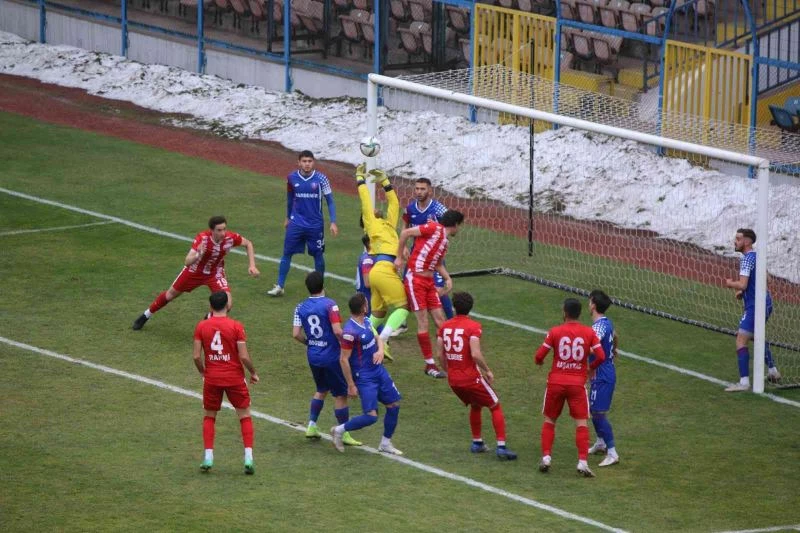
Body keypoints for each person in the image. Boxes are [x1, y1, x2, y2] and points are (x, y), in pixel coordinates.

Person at [132, 215, 259, 330]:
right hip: (195, 271)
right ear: (212, 230)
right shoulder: (202, 239)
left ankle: (207, 320)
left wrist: (252, 265)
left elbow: (248, 244)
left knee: (227, 304)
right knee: (170, 295)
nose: (223, 233)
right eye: (219, 230)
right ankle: (145, 315)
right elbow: (187, 261)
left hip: (215, 273)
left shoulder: (231, 238)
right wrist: (199, 254)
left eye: (224, 229)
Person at [436, 292, 517, 460]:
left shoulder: (444, 327)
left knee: (475, 404)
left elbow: (439, 355)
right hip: (470, 378)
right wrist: (487, 370)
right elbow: (475, 354)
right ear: (470, 307)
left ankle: (477, 442)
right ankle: (501, 447)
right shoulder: (473, 327)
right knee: (495, 405)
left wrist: (450, 370)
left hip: (454, 380)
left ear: (454, 307)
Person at [534, 298, 606, 478]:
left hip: (556, 382)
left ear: (564, 312)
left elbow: (539, 356)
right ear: (579, 313)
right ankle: (582, 462)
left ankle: (546, 458)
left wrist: (540, 362)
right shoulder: (588, 333)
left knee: (550, 420)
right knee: (581, 422)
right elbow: (601, 356)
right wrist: (590, 368)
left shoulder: (555, 332)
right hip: (577, 384)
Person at [192, 291, 259, 474]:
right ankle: (248, 458)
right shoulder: (236, 326)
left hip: (212, 378)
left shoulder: (202, 326)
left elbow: (197, 356)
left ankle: (208, 457)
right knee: (244, 415)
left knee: (209, 416)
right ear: (227, 306)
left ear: (211, 306)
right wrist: (253, 372)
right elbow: (243, 356)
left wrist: (203, 372)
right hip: (234, 378)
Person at [292, 271, 361, 447]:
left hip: (313, 356)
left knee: (321, 389)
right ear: (323, 285)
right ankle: (343, 433)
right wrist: (347, 344)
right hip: (330, 356)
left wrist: (310, 342)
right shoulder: (331, 305)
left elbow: (295, 334)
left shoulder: (300, 307)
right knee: (341, 394)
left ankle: (311, 426)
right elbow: (338, 331)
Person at [331, 293, 403, 456]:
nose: (368, 304)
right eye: (366, 303)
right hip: (365, 376)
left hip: (378, 370)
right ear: (363, 308)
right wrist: (351, 384)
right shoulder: (350, 332)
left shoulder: (367, 321)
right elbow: (343, 359)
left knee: (393, 405)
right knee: (371, 416)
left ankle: (385, 443)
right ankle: (339, 430)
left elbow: (378, 337)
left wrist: (379, 351)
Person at [396, 209, 465, 378]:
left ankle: (450, 361)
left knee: (441, 321)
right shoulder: (433, 228)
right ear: (455, 225)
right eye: (460, 226)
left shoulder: (445, 242)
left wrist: (448, 279)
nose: (459, 229)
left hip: (429, 283)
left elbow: (438, 263)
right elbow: (405, 232)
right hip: (415, 280)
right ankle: (430, 365)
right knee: (423, 322)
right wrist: (399, 256)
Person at [355, 164, 410, 360]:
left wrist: (385, 181)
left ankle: (360, 337)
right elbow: (364, 200)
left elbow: (394, 204)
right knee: (404, 307)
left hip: (380, 271)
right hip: (385, 269)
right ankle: (384, 340)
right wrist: (359, 178)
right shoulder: (372, 225)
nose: (376, 210)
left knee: (378, 314)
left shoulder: (388, 224)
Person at [267, 150, 338, 297]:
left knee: (318, 255)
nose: (307, 164)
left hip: (315, 225)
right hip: (296, 223)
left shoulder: (321, 179)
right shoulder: (292, 178)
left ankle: (320, 288)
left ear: (314, 162)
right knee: (287, 253)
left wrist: (333, 222)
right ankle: (280, 286)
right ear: (298, 162)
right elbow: (289, 199)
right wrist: (287, 217)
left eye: (309, 161)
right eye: (304, 161)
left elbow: (330, 201)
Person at [723, 228, 781, 391]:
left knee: (741, 340)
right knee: (756, 335)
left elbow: (742, 283)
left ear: (747, 241)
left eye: (738, 239)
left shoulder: (747, 259)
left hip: (756, 306)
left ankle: (744, 383)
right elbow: (767, 278)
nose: (735, 241)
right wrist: (744, 291)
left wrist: (731, 284)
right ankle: (773, 371)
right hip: (767, 303)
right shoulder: (757, 256)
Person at [403, 177, 455, 319]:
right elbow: (405, 227)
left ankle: (451, 320)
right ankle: (402, 323)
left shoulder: (439, 209)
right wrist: (404, 247)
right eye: (417, 188)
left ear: (430, 191)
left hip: (434, 257)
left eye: (422, 189)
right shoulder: (410, 209)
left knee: (439, 288)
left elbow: (450, 228)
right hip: (415, 256)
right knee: (406, 287)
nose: (419, 192)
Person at [586, 290, 620, 467]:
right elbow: (615, 336)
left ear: (593, 305)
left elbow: (594, 349)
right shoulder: (607, 322)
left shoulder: (597, 328)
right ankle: (600, 442)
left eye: (589, 300)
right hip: (605, 371)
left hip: (602, 374)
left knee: (598, 413)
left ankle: (612, 452)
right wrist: (614, 350)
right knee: (594, 409)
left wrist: (582, 354)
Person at [355, 233, 375, 317]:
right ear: (369, 244)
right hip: (366, 296)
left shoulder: (367, 257)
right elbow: (367, 283)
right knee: (371, 322)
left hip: (365, 294)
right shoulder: (367, 260)